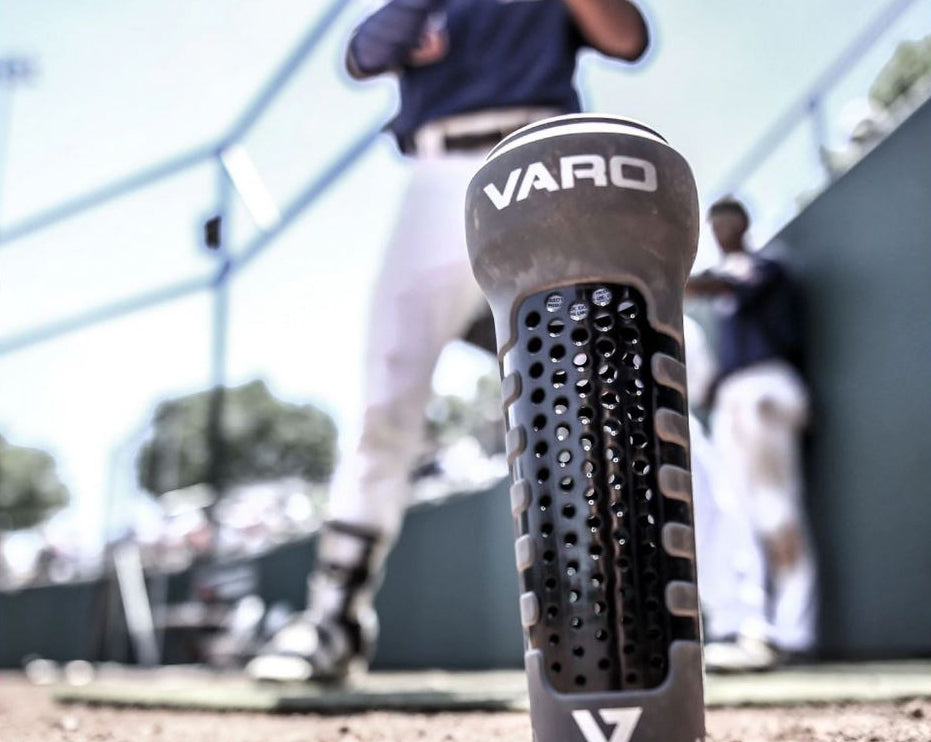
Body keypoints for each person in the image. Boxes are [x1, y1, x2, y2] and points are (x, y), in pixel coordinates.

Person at [247, 0, 650, 682]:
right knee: (386, 398)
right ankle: (333, 615)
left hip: (540, 158)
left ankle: (621, 613)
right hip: (435, 176)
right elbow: (362, 55)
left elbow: (626, 38)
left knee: (583, 396)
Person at [686, 197, 817, 671]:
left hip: (766, 388)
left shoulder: (766, 265)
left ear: (744, 223)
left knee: (776, 509)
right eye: (715, 223)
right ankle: (755, 631)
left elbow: (717, 282)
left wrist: (657, 280)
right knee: (736, 515)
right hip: (732, 401)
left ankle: (795, 630)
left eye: (729, 221)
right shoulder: (723, 292)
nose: (722, 230)